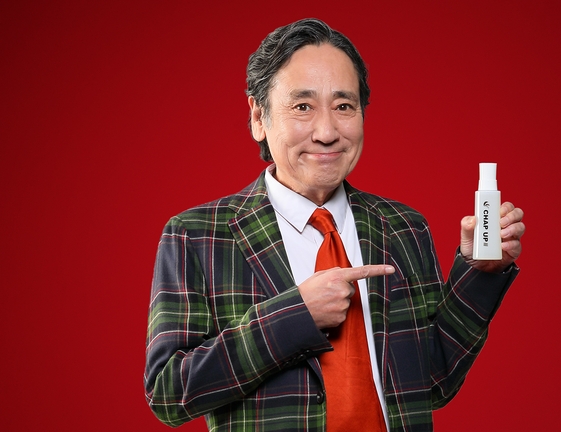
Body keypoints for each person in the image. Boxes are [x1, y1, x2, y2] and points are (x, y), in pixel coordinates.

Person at [144, 18, 524, 431]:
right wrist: (293, 317)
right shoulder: (197, 235)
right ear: (258, 117)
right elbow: (169, 394)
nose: (326, 132)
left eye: (344, 106)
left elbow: (433, 382)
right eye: (302, 107)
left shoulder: (403, 227)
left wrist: (480, 274)